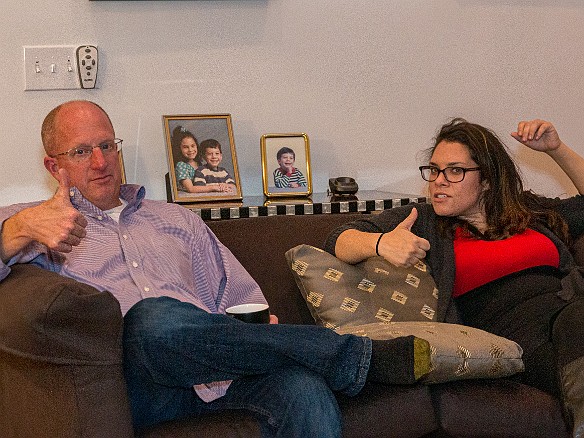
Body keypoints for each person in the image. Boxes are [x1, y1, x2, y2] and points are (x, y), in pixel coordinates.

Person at [0, 100, 431, 438]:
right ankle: (348, 353)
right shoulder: (38, 223)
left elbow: (238, 296)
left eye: (107, 145)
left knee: (303, 388)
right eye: (80, 151)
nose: (100, 162)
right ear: (53, 166)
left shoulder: (177, 219)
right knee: (150, 320)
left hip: (216, 373)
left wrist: (254, 330)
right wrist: (18, 229)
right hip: (131, 382)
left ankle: (322, 355)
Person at [325, 117, 584, 437]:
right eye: (434, 170)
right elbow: (338, 239)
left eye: (455, 170)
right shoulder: (424, 220)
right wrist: (381, 242)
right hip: (518, 331)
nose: (439, 181)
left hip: (569, 305)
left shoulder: (528, 211)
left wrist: (557, 150)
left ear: (487, 179)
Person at [171, 125, 209, 194]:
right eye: (185, 147)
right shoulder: (181, 165)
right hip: (187, 198)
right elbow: (191, 189)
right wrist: (213, 187)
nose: (190, 150)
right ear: (179, 149)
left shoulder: (199, 164)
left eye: (193, 146)